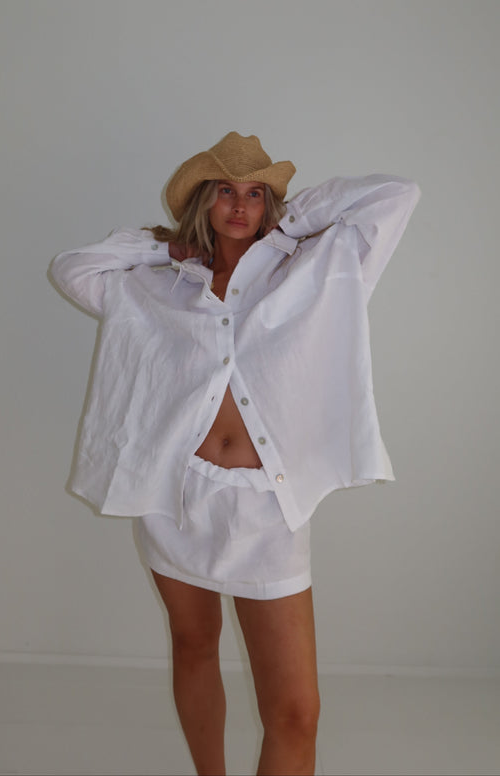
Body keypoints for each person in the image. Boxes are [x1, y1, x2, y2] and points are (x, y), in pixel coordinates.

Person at [49, 132, 420, 776]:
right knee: (193, 646)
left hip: (266, 508)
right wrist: (165, 247)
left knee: (296, 712)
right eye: (225, 190)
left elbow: (397, 195)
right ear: (204, 200)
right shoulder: (161, 283)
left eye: (256, 192)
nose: (241, 205)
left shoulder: (315, 267)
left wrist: (292, 222)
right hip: (175, 497)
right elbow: (72, 268)